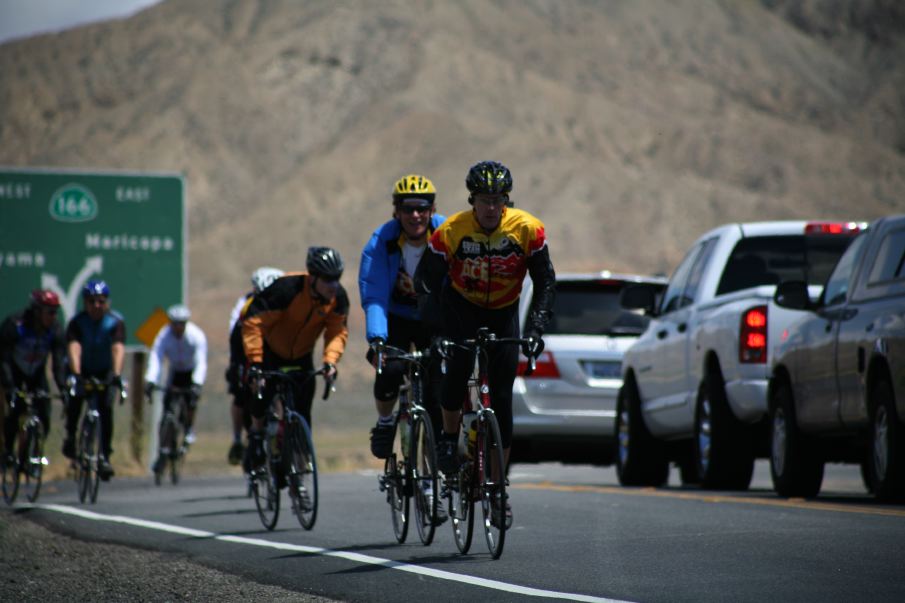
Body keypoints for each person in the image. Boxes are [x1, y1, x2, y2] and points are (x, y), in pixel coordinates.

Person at [414, 160, 555, 528]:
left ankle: (497, 488)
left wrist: (536, 328)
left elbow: (546, 283)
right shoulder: (451, 231)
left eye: (497, 199)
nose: (491, 207)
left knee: (503, 401)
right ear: (472, 200)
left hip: (504, 312)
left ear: (506, 200)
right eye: (483, 200)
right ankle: (448, 439)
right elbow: (424, 282)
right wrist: (437, 331)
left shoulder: (528, 229)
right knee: (457, 372)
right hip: (461, 308)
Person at [359, 174, 446, 460]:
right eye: (407, 208)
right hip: (395, 317)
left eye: (422, 207)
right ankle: (385, 424)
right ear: (396, 211)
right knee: (390, 370)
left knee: (437, 394)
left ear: (432, 210)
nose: (415, 215)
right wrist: (378, 340)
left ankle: (432, 464)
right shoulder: (381, 241)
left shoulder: (447, 235)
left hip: (432, 318)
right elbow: (375, 295)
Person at [242, 247, 349, 470]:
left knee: (303, 407)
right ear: (313, 277)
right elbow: (252, 322)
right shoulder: (286, 290)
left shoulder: (337, 298)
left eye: (337, 279)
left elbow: (337, 332)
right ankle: (256, 434)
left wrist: (330, 362)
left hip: (301, 355)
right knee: (262, 396)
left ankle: (300, 463)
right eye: (328, 280)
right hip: (270, 352)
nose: (334, 285)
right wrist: (257, 362)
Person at [63, 280, 126, 480]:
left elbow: (117, 348)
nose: (96, 305)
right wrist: (77, 374)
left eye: (101, 301)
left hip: (104, 370)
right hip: (82, 369)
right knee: (75, 402)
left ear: (107, 302)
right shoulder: (77, 322)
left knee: (106, 410)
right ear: (85, 303)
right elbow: (74, 348)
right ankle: (71, 438)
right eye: (91, 301)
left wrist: (116, 374)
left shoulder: (115, 322)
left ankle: (105, 456)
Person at [0, 290, 67, 467]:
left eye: (55, 312)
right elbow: (3, 358)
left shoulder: (55, 330)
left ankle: (35, 454)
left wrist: (63, 389)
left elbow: (58, 364)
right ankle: (7, 451)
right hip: (13, 372)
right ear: (37, 311)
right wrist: (10, 386)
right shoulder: (16, 325)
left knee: (44, 412)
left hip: (36, 374)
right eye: (49, 312)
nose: (53, 316)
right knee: (15, 409)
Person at [225, 267, 284, 465]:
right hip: (244, 350)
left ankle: (280, 437)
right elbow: (236, 339)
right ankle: (238, 439)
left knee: (280, 385)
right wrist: (243, 369)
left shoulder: (285, 303)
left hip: (272, 350)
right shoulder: (244, 306)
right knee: (241, 393)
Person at [144, 304, 208, 473]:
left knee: (190, 402)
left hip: (191, 372)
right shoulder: (163, 336)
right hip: (174, 373)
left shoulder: (196, 336)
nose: (178, 327)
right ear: (170, 323)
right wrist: (150, 380)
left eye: (182, 323)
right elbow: (156, 359)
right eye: (175, 323)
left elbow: (201, 362)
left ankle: (188, 430)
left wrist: (197, 384)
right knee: (167, 411)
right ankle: (162, 452)